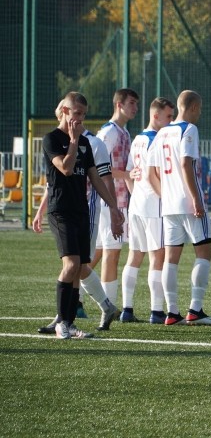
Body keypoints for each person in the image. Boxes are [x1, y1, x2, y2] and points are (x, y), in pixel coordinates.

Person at [41, 91, 123, 339]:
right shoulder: (51, 139)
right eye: (77, 113)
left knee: (78, 268)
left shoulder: (87, 143)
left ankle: (69, 322)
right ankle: (61, 322)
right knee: (71, 265)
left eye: (84, 115)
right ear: (64, 111)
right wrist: (74, 140)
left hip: (80, 211)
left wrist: (113, 207)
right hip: (61, 210)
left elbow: (95, 178)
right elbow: (65, 169)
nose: (80, 119)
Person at [148, 90, 211, 326]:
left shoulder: (162, 133)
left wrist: (166, 195)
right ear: (194, 108)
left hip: (168, 205)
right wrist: (195, 198)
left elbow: (152, 173)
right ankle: (195, 310)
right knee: (204, 252)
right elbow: (185, 163)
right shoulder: (189, 129)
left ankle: (172, 312)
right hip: (188, 203)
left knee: (171, 258)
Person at [121, 97, 175, 324]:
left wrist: (136, 196)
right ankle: (156, 311)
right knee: (157, 257)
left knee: (134, 256)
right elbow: (157, 175)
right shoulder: (157, 140)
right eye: (169, 117)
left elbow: (129, 173)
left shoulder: (138, 140)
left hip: (137, 206)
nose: (171, 121)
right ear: (156, 116)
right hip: (154, 206)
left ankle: (127, 309)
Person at [95, 88, 138, 312]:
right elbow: (100, 166)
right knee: (111, 253)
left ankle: (75, 295)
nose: (135, 108)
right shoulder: (109, 133)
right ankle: (108, 307)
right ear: (119, 104)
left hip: (118, 199)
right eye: (131, 103)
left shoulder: (124, 132)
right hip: (107, 201)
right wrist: (127, 175)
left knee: (99, 253)